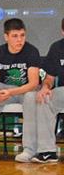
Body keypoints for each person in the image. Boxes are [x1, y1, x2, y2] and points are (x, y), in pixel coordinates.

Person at [0, 18, 42, 162]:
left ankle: (29, 150)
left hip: (25, 90)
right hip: (5, 89)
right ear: (6, 37)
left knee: (32, 98)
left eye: (22, 35)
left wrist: (11, 92)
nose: (20, 40)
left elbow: (33, 83)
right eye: (15, 36)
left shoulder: (31, 51)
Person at [34, 18, 64, 164]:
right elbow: (49, 77)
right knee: (44, 98)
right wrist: (45, 87)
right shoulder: (57, 48)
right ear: (62, 32)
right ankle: (47, 152)